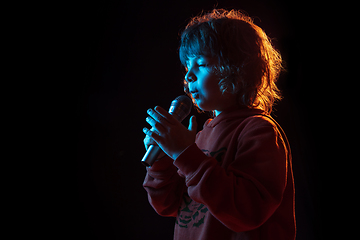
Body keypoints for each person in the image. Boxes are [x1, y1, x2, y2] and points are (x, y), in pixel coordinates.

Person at [142, 9, 296, 240]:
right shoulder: (200, 136)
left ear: (237, 69)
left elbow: (247, 211)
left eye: (201, 64)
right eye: (187, 67)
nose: (188, 76)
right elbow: (170, 206)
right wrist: (163, 160)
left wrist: (184, 153)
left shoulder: (258, 130)